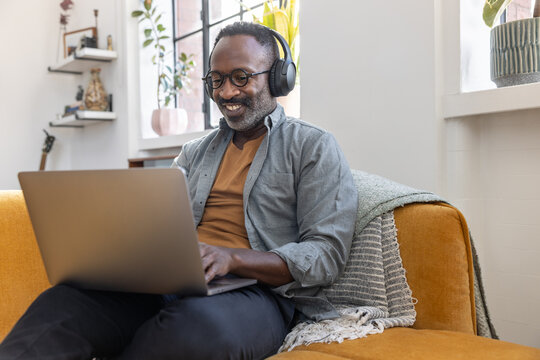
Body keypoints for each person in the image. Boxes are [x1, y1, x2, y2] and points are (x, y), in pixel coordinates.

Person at [0, 22, 357, 359]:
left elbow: (327, 252)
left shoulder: (312, 146)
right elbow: (158, 226)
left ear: (279, 79)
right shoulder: (194, 152)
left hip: (257, 295)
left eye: (241, 77)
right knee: (63, 305)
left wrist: (231, 258)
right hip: (174, 282)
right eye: (216, 80)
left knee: (197, 329)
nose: (226, 92)